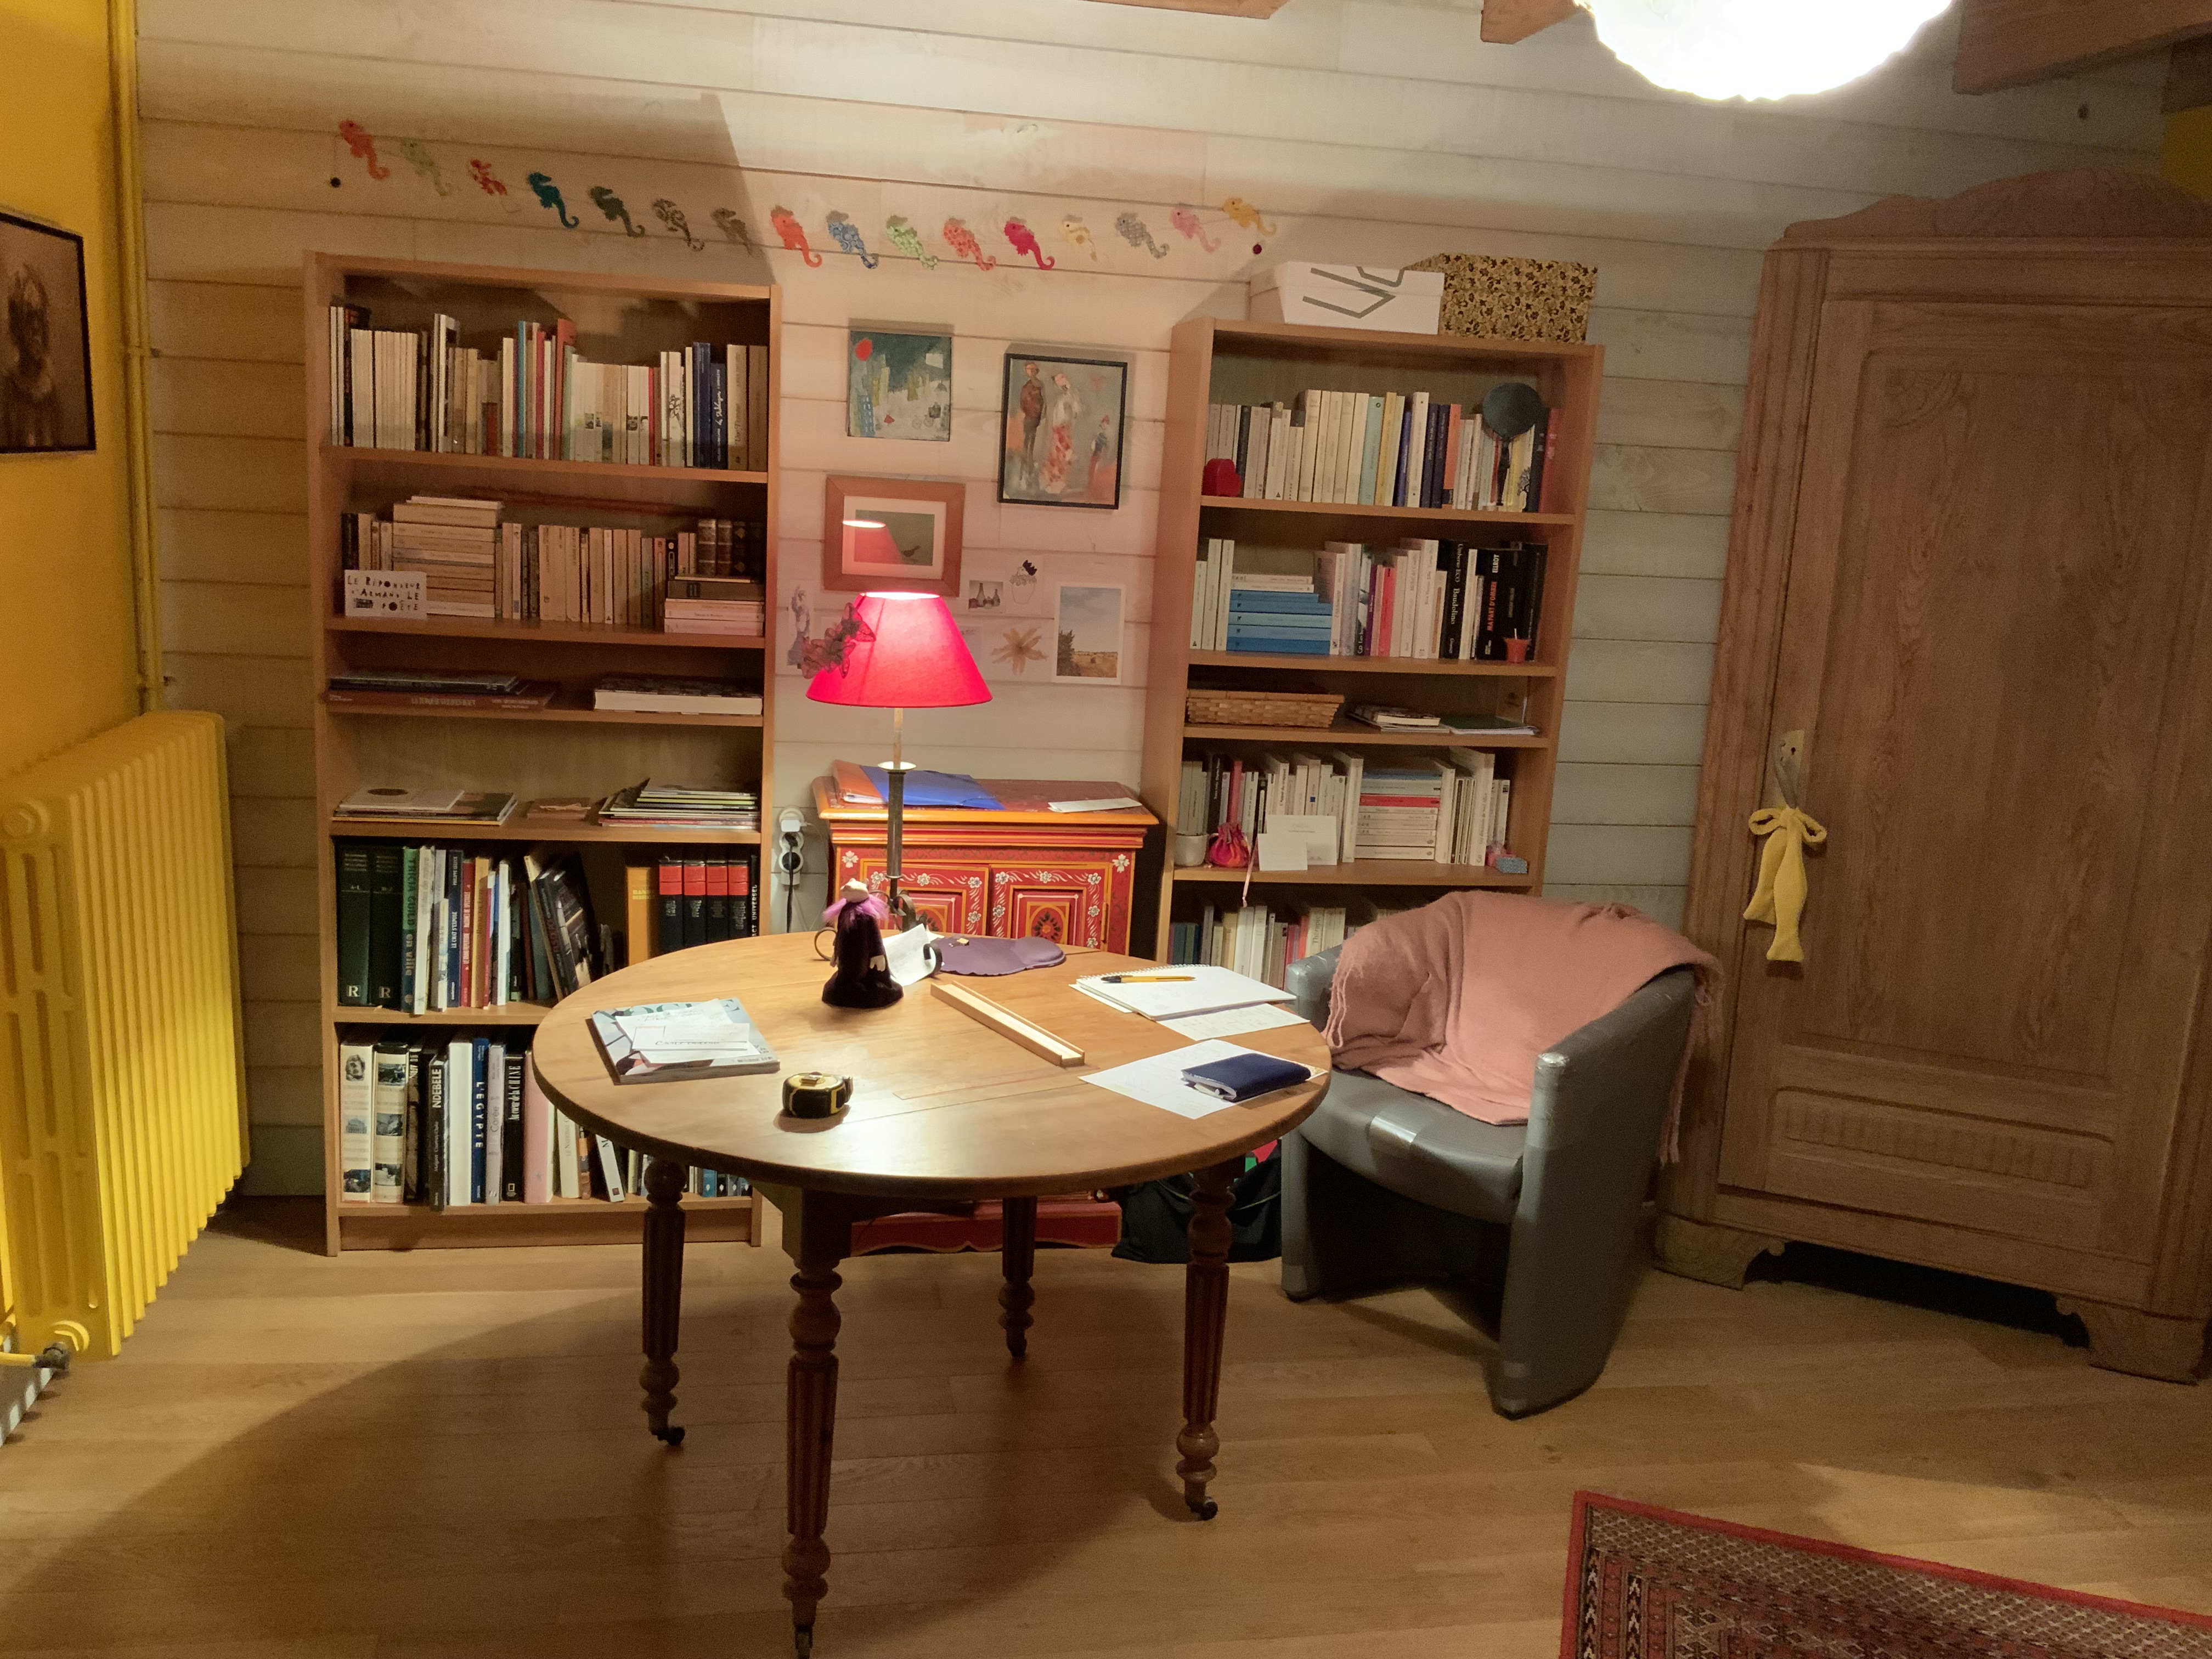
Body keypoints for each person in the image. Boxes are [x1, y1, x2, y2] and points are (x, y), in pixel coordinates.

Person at [2, 266, 63, 452]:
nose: (37, 329)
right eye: (29, 318)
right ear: (16, 328)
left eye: (40, 317)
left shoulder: (52, 391)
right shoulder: (7, 391)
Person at [1015, 360, 1045, 486]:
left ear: (1037, 371)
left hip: (1037, 417)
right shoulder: (1025, 387)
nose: (1032, 372)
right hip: (1029, 417)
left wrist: (1042, 413)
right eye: (1029, 369)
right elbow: (1022, 404)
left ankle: (1030, 467)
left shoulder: (1040, 385)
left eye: (1033, 369)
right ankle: (1024, 468)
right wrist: (1029, 412)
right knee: (1026, 442)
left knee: (1032, 441)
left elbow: (1044, 400)